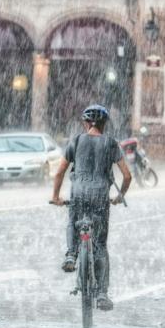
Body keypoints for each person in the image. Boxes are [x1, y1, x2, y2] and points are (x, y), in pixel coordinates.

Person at [50, 104, 132, 311]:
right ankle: (102, 293)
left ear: (86, 123)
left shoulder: (76, 141)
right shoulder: (111, 143)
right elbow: (127, 175)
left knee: (73, 221)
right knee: (100, 246)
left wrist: (55, 196)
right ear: (105, 124)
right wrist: (119, 196)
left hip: (78, 194)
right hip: (100, 197)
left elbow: (59, 173)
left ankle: (71, 254)